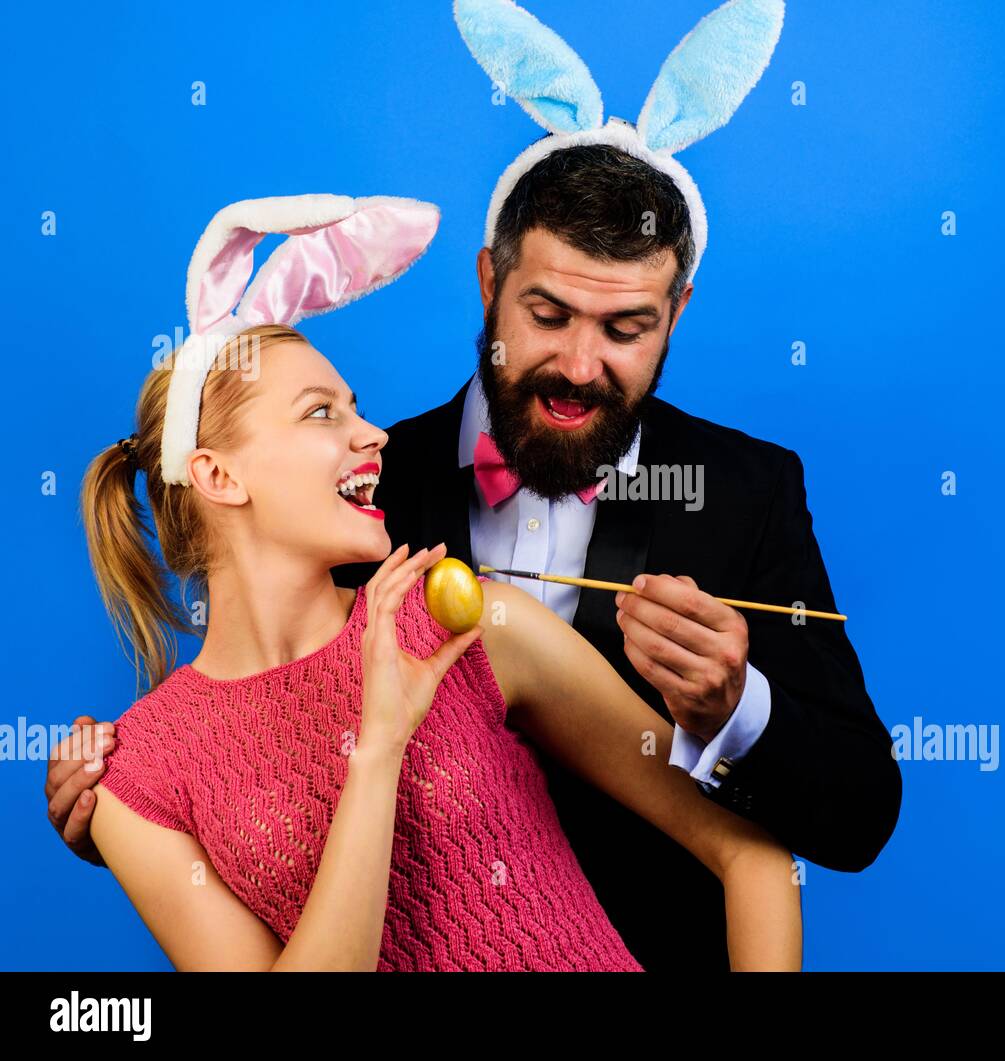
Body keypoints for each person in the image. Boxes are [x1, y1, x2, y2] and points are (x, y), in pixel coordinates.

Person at [48, 0, 899, 971]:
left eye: (625, 328)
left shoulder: (745, 490)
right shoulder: (370, 496)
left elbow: (857, 811)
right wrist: (132, 800)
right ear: (489, 282)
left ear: (677, 312)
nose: (581, 364)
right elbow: (250, 711)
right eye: (548, 312)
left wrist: (733, 711)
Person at [71, 191, 801, 970]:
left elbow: (750, 854)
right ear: (217, 474)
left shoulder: (465, 622)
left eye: (355, 406)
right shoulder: (137, 779)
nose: (372, 433)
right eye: (321, 414)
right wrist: (378, 744)